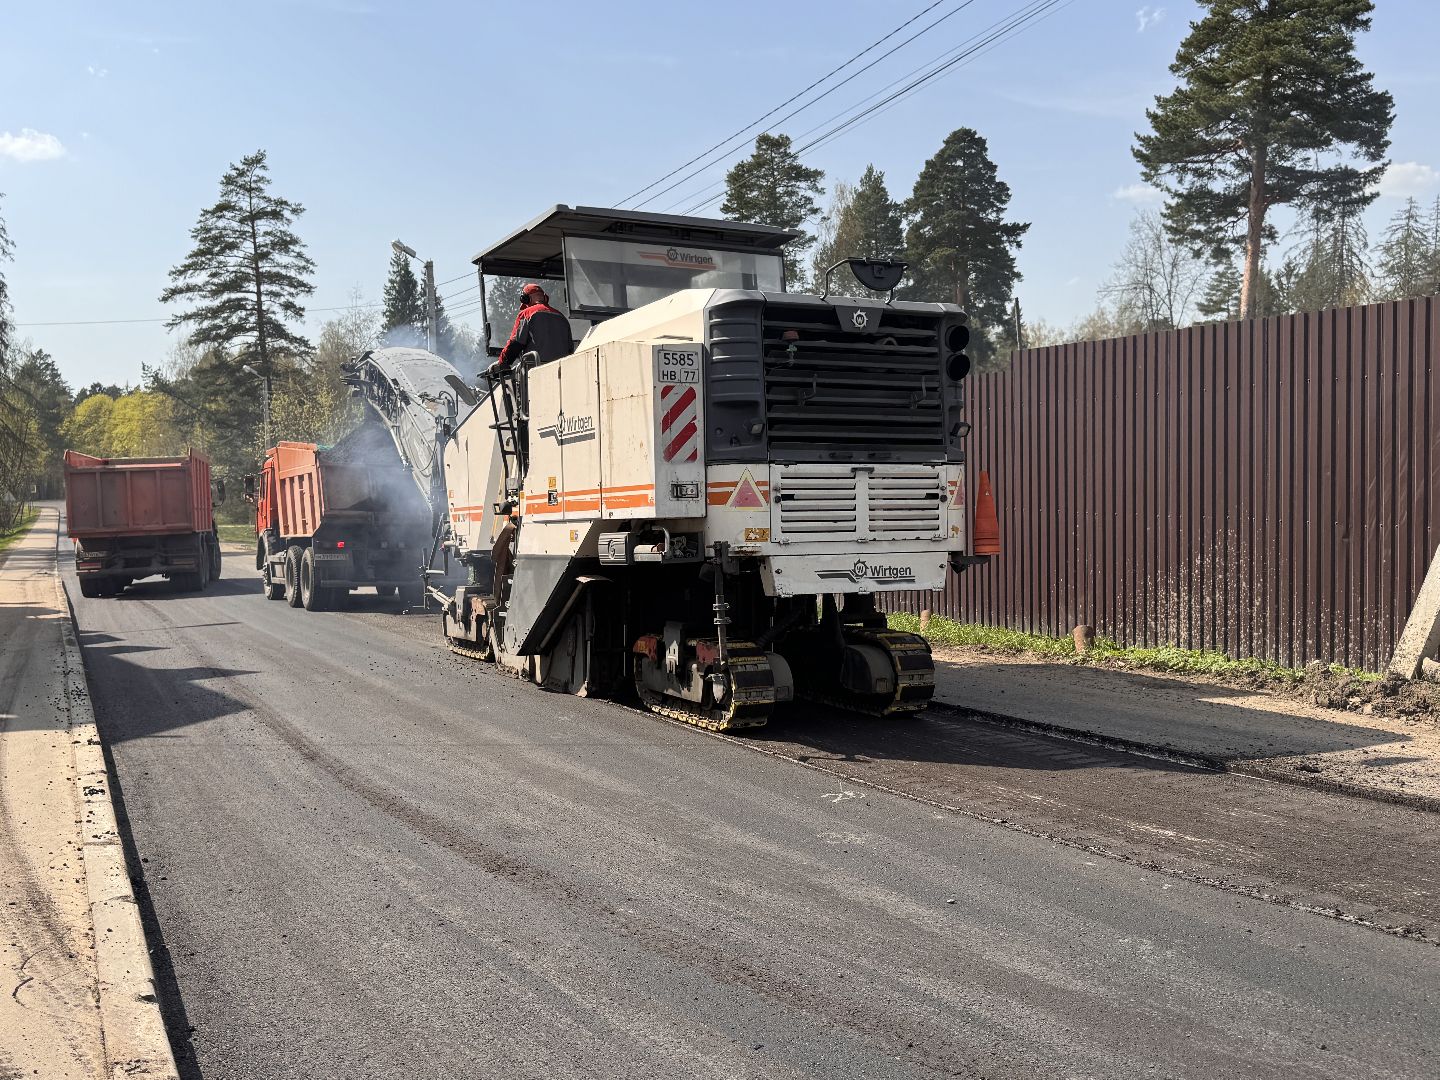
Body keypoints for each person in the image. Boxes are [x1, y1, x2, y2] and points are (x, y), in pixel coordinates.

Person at [493, 284, 572, 370]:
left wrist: (503, 362)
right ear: (544, 297)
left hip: (536, 369)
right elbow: (570, 348)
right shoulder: (562, 317)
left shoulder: (526, 313)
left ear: (526, 299)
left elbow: (516, 343)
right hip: (562, 369)